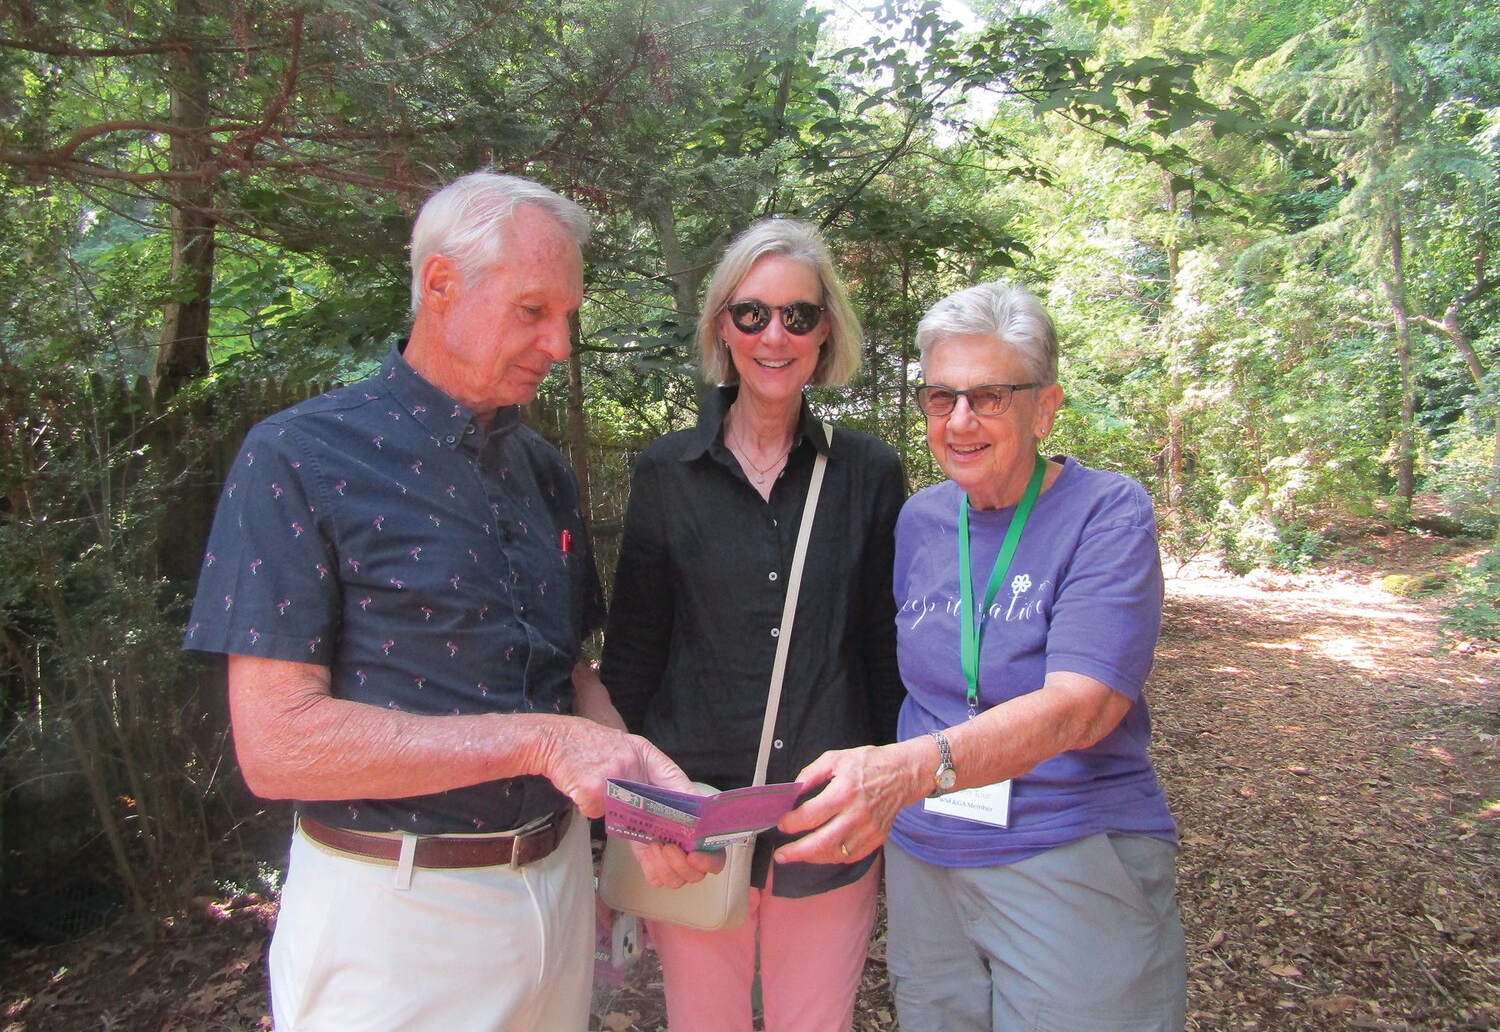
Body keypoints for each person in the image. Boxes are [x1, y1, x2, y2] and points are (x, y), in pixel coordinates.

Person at [184, 171, 700, 1032]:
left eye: (568, 313)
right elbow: (274, 746)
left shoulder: (544, 471)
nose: (561, 342)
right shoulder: (299, 456)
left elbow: (564, 674)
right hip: (395, 915)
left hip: (559, 888)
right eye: (535, 310)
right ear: (439, 285)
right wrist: (541, 742)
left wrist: (643, 784)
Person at [776, 282, 1187, 1031]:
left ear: (1046, 406)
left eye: (989, 396)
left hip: (1066, 845)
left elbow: (1083, 706)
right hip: (929, 858)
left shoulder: (1106, 512)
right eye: (941, 398)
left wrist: (905, 769)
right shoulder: (923, 519)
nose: (960, 421)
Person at [598, 218, 906, 1032]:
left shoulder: (868, 474)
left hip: (824, 823)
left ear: (826, 329)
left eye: (798, 315)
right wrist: (627, 819)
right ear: (721, 326)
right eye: (753, 313)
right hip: (693, 825)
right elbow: (632, 656)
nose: (775, 335)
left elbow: (883, 653)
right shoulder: (668, 472)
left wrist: (891, 800)